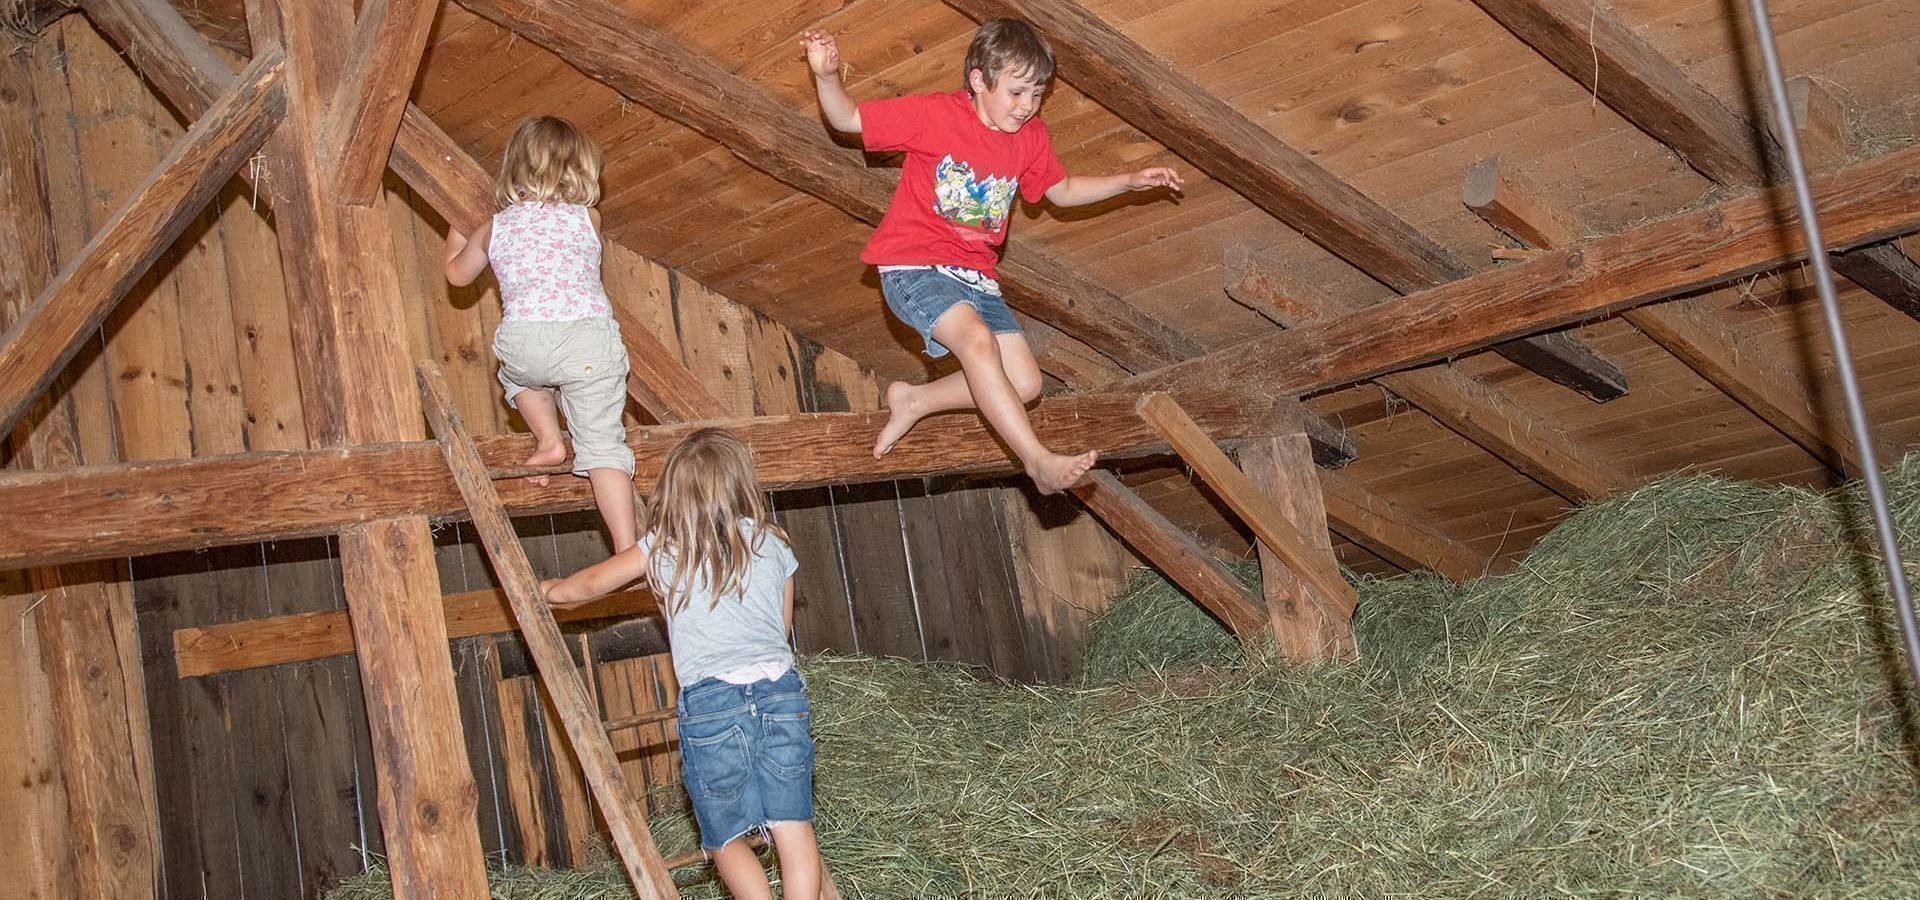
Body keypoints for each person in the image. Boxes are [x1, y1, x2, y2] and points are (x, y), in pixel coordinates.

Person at [801, 18, 1183, 494]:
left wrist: (1127, 180)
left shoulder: (1030, 137)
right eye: (1017, 93)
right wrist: (826, 76)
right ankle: (1036, 461)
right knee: (977, 342)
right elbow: (847, 120)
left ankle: (915, 400)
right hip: (913, 265)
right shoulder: (935, 116)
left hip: (975, 278)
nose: (1027, 107)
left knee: (1025, 384)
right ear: (979, 80)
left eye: (1037, 95)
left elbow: (1060, 191)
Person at [542, 428, 823, 900]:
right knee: (793, 825)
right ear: (741, 485)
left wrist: (551, 591)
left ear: (671, 493)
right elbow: (782, 624)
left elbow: (593, 583)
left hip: (713, 701)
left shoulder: (665, 545)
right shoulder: (772, 543)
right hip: (780, 691)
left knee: (726, 836)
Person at [446, 116, 638, 550]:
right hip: (586, 339)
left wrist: (458, 226)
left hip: (525, 340)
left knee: (519, 378)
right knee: (603, 447)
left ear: (515, 168)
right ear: (581, 170)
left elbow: (457, 277)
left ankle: (549, 440)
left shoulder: (495, 228)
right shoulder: (589, 218)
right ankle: (626, 549)